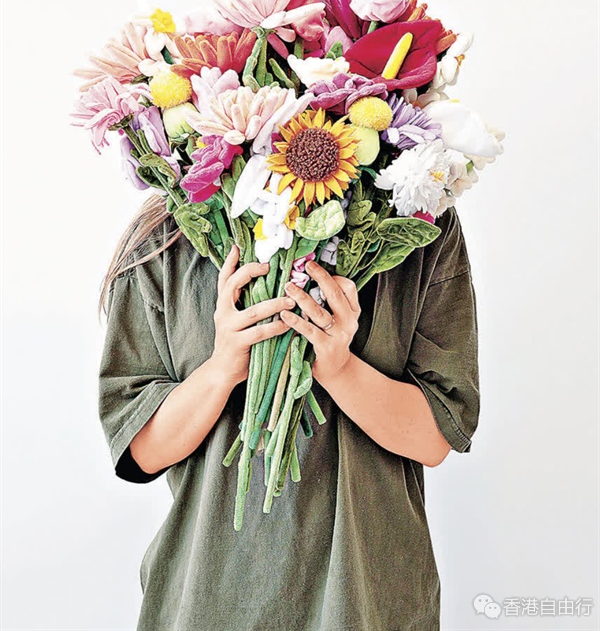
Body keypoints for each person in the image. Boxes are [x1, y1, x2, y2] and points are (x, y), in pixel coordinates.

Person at [97, 191, 480, 631]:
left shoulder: (419, 217)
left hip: (364, 599)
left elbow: (436, 437)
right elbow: (141, 450)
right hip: (209, 596)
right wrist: (223, 367)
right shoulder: (170, 230)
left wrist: (340, 369)